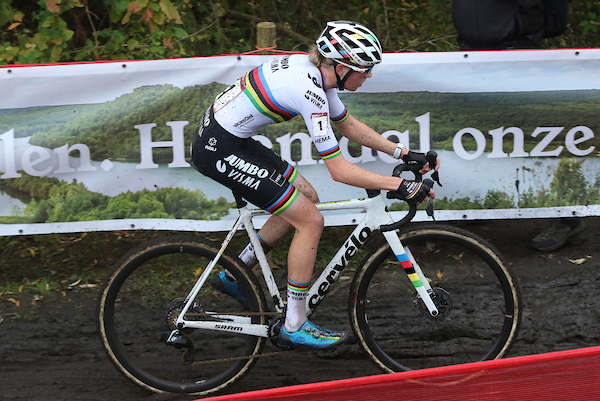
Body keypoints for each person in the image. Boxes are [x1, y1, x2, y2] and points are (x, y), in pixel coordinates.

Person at [190, 21, 439, 350]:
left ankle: (234, 274)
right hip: (219, 149)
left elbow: (347, 125)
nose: (368, 76)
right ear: (341, 65)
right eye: (364, 69)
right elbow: (339, 170)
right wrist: (400, 186)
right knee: (310, 219)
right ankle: (294, 323)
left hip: (231, 141)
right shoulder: (307, 89)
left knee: (306, 196)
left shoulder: (318, 74)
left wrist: (405, 152)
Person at [452, 1, 581, 251]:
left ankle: (566, 216)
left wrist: (523, 33)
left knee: (534, 135)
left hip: (512, 51)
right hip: (472, 50)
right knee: (480, 134)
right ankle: (483, 202)